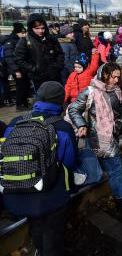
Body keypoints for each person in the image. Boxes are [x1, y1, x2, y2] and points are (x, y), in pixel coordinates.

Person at [1, 81, 78, 256]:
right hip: (50, 196)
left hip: (16, 192)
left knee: (35, 223)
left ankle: (39, 247)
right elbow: (70, 162)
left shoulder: (14, 123)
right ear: (60, 101)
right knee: (52, 235)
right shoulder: (63, 127)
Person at [68, 62, 122, 216]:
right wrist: (81, 124)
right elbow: (73, 109)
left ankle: (120, 202)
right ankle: (120, 204)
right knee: (114, 171)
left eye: (119, 77)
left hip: (110, 137)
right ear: (105, 75)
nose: (117, 81)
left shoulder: (116, 90)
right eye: (114, 77)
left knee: (112, 171)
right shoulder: (89, 92)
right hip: (94, 138)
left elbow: (121, 108)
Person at [15, 13, 65, 91]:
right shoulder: (25, 41)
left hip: (54, 75)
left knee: (56, 97)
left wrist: (57, 66)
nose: (40, 31)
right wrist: (34, 69)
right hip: (38, 78)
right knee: (43, 99)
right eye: (37, 28)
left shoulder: (51, 39)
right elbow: (19, 59)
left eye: (42, 28)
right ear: (31, 28)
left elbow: (60, 54)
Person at [1, 22, 26, 108]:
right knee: (20, 86)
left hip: (22, 67)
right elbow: (9, 58)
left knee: (24, 85)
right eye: (22, 33)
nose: (24, 34)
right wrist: (16, 70)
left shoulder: (19, 40)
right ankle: (19, 104)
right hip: (17, 69)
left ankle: (24, 102)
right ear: (17, 32)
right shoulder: (10, 42)